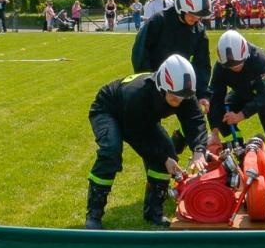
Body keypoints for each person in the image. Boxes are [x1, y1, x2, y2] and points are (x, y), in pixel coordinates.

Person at [84, 53, 210, 229]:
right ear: (162, 87)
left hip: (142, 118)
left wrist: (199, 149)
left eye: (183, 97)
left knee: (168, 153)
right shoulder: (138, 93)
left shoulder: (184, 94)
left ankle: (153, 212)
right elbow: (136, 135)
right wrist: (163, 158)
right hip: (109, 110)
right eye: (175, 97)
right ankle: (94, 215)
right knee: (110, 152)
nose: (179, 101)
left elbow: (195, 121)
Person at [134, 0, 213, 105]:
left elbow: (202, 63)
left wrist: (202, 94)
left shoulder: (199, 31)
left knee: (195, 115)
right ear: (181, 7)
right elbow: (140, 53)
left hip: (182, 86)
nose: (195, 19)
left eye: (199, 16)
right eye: (192, 14)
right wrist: (149, 84)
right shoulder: (158, 21)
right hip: (154, 84)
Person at [208, 29, 265, 141]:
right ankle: (237, 143)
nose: (235, 68)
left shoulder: (260, 60)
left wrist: (241, 115)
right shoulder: (220, 67)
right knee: (223, 113)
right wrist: (214, 132)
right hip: (243, 89)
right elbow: (215, 98)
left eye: (239, 64)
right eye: (230, 67)